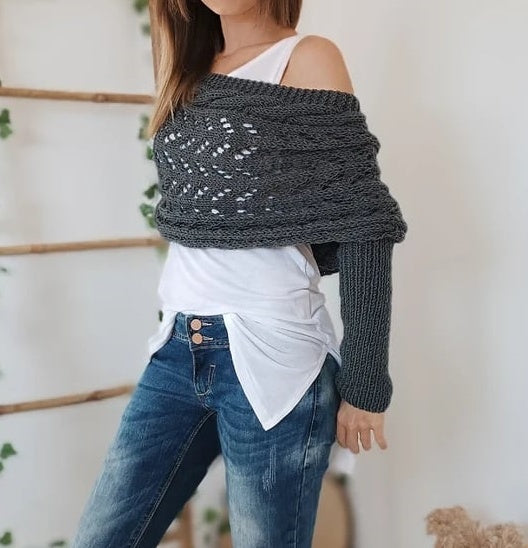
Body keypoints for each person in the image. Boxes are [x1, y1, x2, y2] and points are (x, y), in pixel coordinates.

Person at [72, 1, 407, 546]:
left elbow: (363, 222)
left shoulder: (306, 57)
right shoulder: (188, 66)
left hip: (273, 354)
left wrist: (365, 383)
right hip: (178, 348)